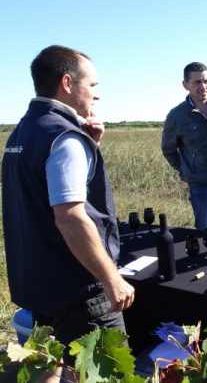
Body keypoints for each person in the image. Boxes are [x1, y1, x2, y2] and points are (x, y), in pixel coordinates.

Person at [2, 45, 134, 381]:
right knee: (104, 372)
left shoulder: (23, 131)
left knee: (51, 363)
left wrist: (91, 145)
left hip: (39, 281)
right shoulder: (64, 138)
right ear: (67, 82)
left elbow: (39, 199)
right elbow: (70, 216)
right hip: (78, 289)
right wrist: (110, 279)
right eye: (93, 85)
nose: (97, 95)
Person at [161, 62, 207, 230]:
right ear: (185, 85)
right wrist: (187, 169)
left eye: (206, 81)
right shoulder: (177, 115)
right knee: (206, 229)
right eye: (197, 82)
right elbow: (168, 149)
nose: (203, 86)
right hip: (200, 184)